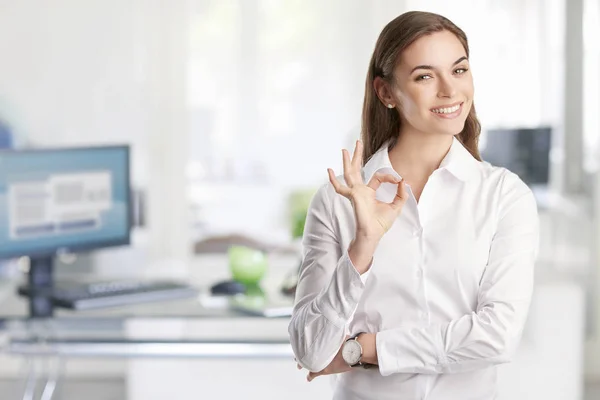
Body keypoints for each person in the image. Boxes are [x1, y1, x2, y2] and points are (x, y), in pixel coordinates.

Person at [288, 10, 539, 400]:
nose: (449, 91)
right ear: (386, 92)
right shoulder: (337, 202)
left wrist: (363, 350)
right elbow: (311, 351)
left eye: (459, 70)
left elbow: (497, 337)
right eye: (425, 76)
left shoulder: (505, 197)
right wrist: (362, 248)